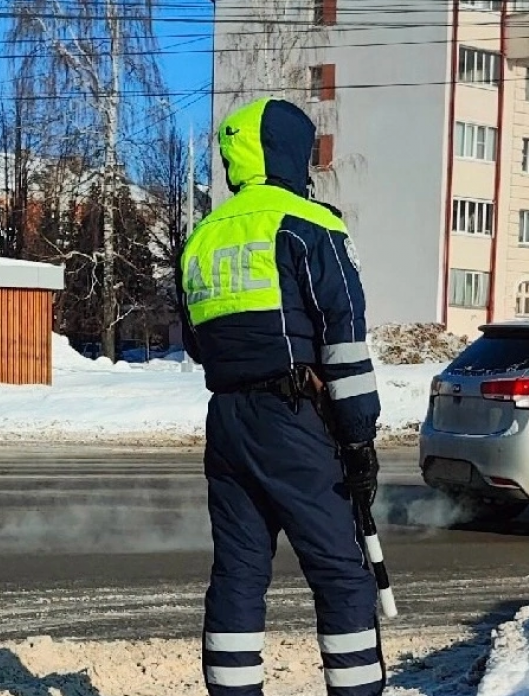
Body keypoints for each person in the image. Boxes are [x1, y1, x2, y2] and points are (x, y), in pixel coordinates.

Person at [175, 96, 385, 696]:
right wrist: (358, 437)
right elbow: (343, 340)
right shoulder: (309, 224)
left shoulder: (204, 239)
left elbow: (197, 342)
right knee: (343, 576)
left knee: (239, 574)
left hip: (228, 420)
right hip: (296, 418)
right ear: (290, 153)